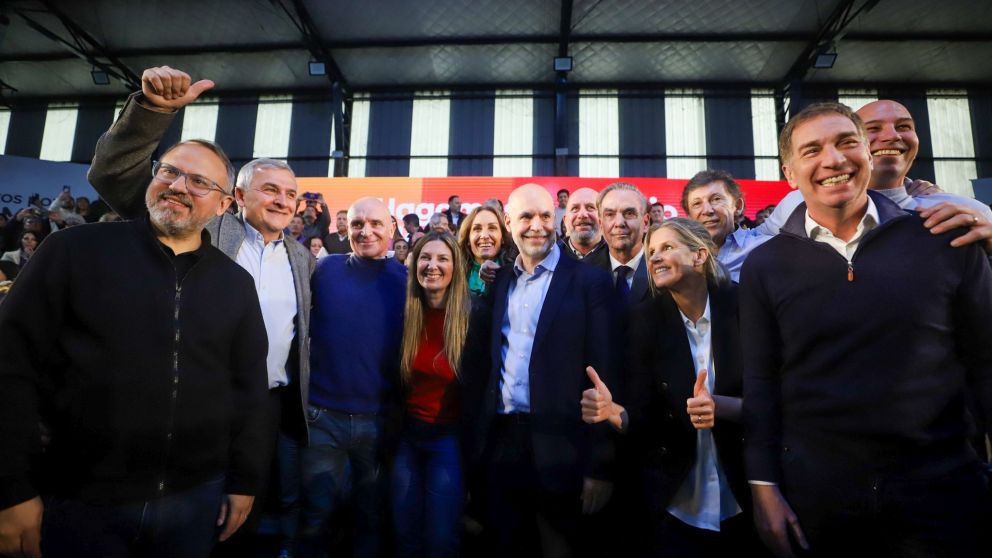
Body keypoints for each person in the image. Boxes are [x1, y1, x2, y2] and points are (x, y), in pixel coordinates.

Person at [0, 132, 270, 558]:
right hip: (80, 499)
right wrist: (11, 487)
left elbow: (250, 390)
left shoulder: (235, 284)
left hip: (195, 499)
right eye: (169, 171)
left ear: (223, 205)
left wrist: (244, 480)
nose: (179, 186)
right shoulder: (73, 251)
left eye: (199, 182)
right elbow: (9, 365)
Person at [742, 102, 992, 557]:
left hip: (942, 492)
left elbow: (986, 361)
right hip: (819, 500)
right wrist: (763, 488)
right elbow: (761, 384)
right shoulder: (765, 265)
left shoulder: (948, 238)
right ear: (790, 174)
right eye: (812, 150)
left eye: (847, 142)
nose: (833, 160)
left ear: (869, 155)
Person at [87, 66, 315, 558]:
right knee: (202, 518)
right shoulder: (204, 228)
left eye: (291, 194)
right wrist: (152, 113)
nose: (282, 200)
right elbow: (113, 175)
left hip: (272, 403)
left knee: (252, 507)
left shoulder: (302, 258)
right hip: (198, 400)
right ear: (235, 198)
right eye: (270, 189)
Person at [581, 218, 764, 556]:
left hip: (746, 492)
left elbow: (773, 396)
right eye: (651, 252)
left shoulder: (746, 307)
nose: (654, 258)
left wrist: (721, 406)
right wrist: (614, 413)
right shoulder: (644, 321)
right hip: (674, 501)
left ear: (699, 256)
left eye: (666, 247)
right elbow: (643, 416)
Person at [467, 183, 618, 557]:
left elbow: (605, 376)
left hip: (564, 447)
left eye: (546, 216)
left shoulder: (590, 282)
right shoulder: (499, 281)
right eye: (526, 217)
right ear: (508, 222)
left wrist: (600, 466)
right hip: (502, 442)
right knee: (505, 543)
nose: (537, 226)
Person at [300, 196, 407, 558]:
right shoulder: (324, 269)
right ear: (346, 228)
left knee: (370, 517)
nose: (366, 231)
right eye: (358, 223)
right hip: (321, 418)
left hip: (377, 423)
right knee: (316, 515)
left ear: (391, 228)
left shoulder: (409, 281)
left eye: (376, 223)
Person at [391, 231, 490, 558]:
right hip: (407, 438)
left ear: (455, 267)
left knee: (440, 541)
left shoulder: (474, 316)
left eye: (442, 259)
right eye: (425, 258)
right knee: (404, 534)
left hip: (448, 442)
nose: (432, 266)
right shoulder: (405, 314)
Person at [681, 170, 772, 283]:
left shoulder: (766, 248)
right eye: (697, 204)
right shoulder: (680, 259)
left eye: (716, 199)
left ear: (737, 207)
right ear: (689, 216)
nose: (707, 210)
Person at [597, 182, 652, 306]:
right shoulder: (584, 273)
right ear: (600, 224)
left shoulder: (665, 270)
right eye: (610, 214)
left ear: (646, 223)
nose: (619, 223)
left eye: (629, 213)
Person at [457, 205, 512, 296]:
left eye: (492, 228)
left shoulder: (516, 273)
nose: (485, 236)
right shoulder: (454, 273)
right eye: (477, 229)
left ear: (502, 237)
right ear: (468, 239)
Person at [557, 187, 609, 269]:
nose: (582, 214)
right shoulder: (551, 257)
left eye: (591, 207)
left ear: (603, 217)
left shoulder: (617, 257)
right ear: (565, 221)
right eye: (575, 209)